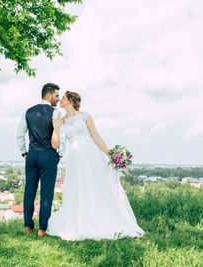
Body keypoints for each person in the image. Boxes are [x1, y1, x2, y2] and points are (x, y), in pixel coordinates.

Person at [46, 91, 144, 241]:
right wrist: (56, 127)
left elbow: (96, 136)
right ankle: (81, 217)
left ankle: (102, 215)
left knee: (96, 183)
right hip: (75, 156)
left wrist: (110, 155)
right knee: (78, 186)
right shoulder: (62, 120)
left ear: (71, 100)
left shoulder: (85, 116)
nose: (61, 100)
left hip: (91, 153)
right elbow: (56, 142)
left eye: (64, 97)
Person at [16, 83, 65, 237]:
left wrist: (24, 152)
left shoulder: (28, 111)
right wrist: (59, 155)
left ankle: (28, 226)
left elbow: (20, 134)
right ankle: (42, 228)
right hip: (48, 155)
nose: (58, 99)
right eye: (57, 96)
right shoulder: (55, 113)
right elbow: (61, 138)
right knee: (46, 193)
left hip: (32, 155)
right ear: (48, 95)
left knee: (29, 191)